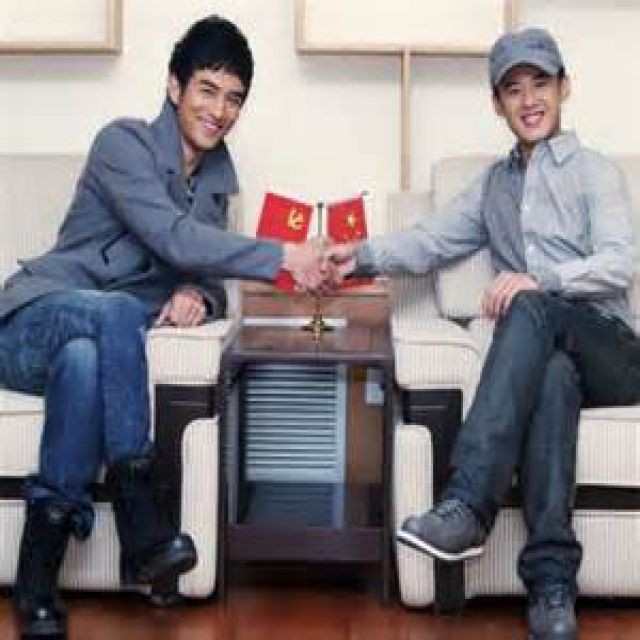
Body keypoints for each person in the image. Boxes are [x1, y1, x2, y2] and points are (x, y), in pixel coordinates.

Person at [0, 15, 323, 639]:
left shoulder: (216, 183)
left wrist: (197, 292)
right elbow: (172, 237)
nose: (219, 111)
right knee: (119, 311)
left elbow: (206, 267)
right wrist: (285, 255)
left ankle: (37, 581)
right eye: (207, 90)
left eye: (234, 99)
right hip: (31, 321)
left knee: (86, 363)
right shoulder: (122, 143)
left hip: (91, 348)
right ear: (175, 87)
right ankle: (139, 512)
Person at [327, 27, 639, 640]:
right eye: (513, 89)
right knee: (552, 376)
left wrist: (538, 280)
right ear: (497, 104)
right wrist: (357, 256)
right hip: (557, 358)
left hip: (616, 350)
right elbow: (431, 239)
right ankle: (552, 585)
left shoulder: (595, 172)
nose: (529, 100)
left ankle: (468, 505)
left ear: (564, 89)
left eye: (540, 84)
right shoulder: (495, 187)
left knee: (529, 307)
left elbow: (619, 263)